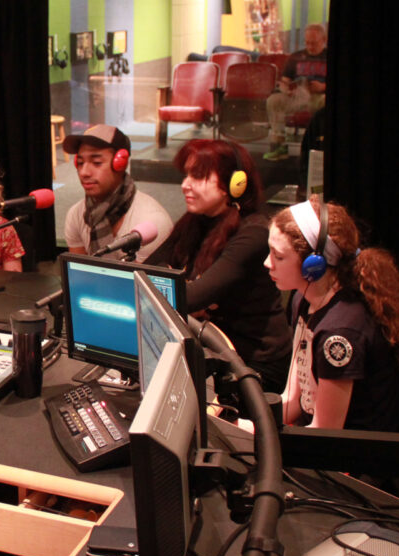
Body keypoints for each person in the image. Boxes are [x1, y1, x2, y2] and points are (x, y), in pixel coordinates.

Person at [264, 196, 399, 431]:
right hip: (309, 436)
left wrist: (258, 437)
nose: (267, 262)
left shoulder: (340, 332)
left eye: (278, 256)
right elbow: (294, 400)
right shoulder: (303, 299)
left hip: (347, 460)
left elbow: (326, 432)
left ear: (313, 265)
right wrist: (246, 425)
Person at [145, 140, 291, 392]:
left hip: (254, 366)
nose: (185, 185)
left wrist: (191, 296)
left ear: (234, 183)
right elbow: (148, 273)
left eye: (198, 175)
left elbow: (189, 297)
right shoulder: (194, 221)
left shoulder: (254, 232)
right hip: (213, 351)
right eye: (186, 174)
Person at [62, 125, 174, 262]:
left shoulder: (152, 223)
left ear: (120, 162)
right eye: (80, 163)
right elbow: (79, 274)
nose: (84, 172)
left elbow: (142, 282)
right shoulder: (76, 215)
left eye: (96, 163)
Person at [264, 23, 328, 161]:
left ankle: (321, 146)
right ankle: (279, 145)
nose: (310, 47)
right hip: (299, 96)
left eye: (314, 43)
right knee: (274, 101)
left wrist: (323, 87)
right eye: (307, 43)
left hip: (320, 96)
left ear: (324, 40)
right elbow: (285, 80)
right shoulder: (295, 57)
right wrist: (285, 89)